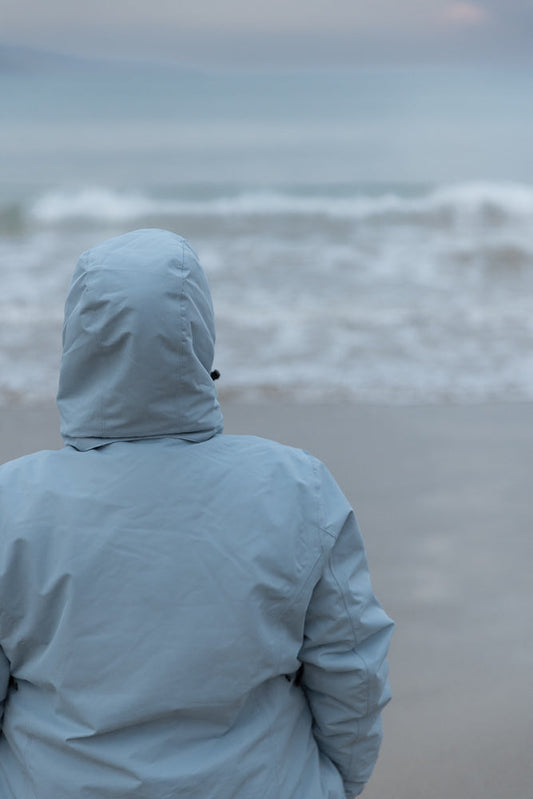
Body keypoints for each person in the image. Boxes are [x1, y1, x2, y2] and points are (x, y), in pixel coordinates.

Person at [0, 228, 393, 798]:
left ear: (76, 338)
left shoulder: (12, 499)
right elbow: (352, 671)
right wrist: (336, 782)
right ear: (200, 332)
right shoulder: (294, 485)